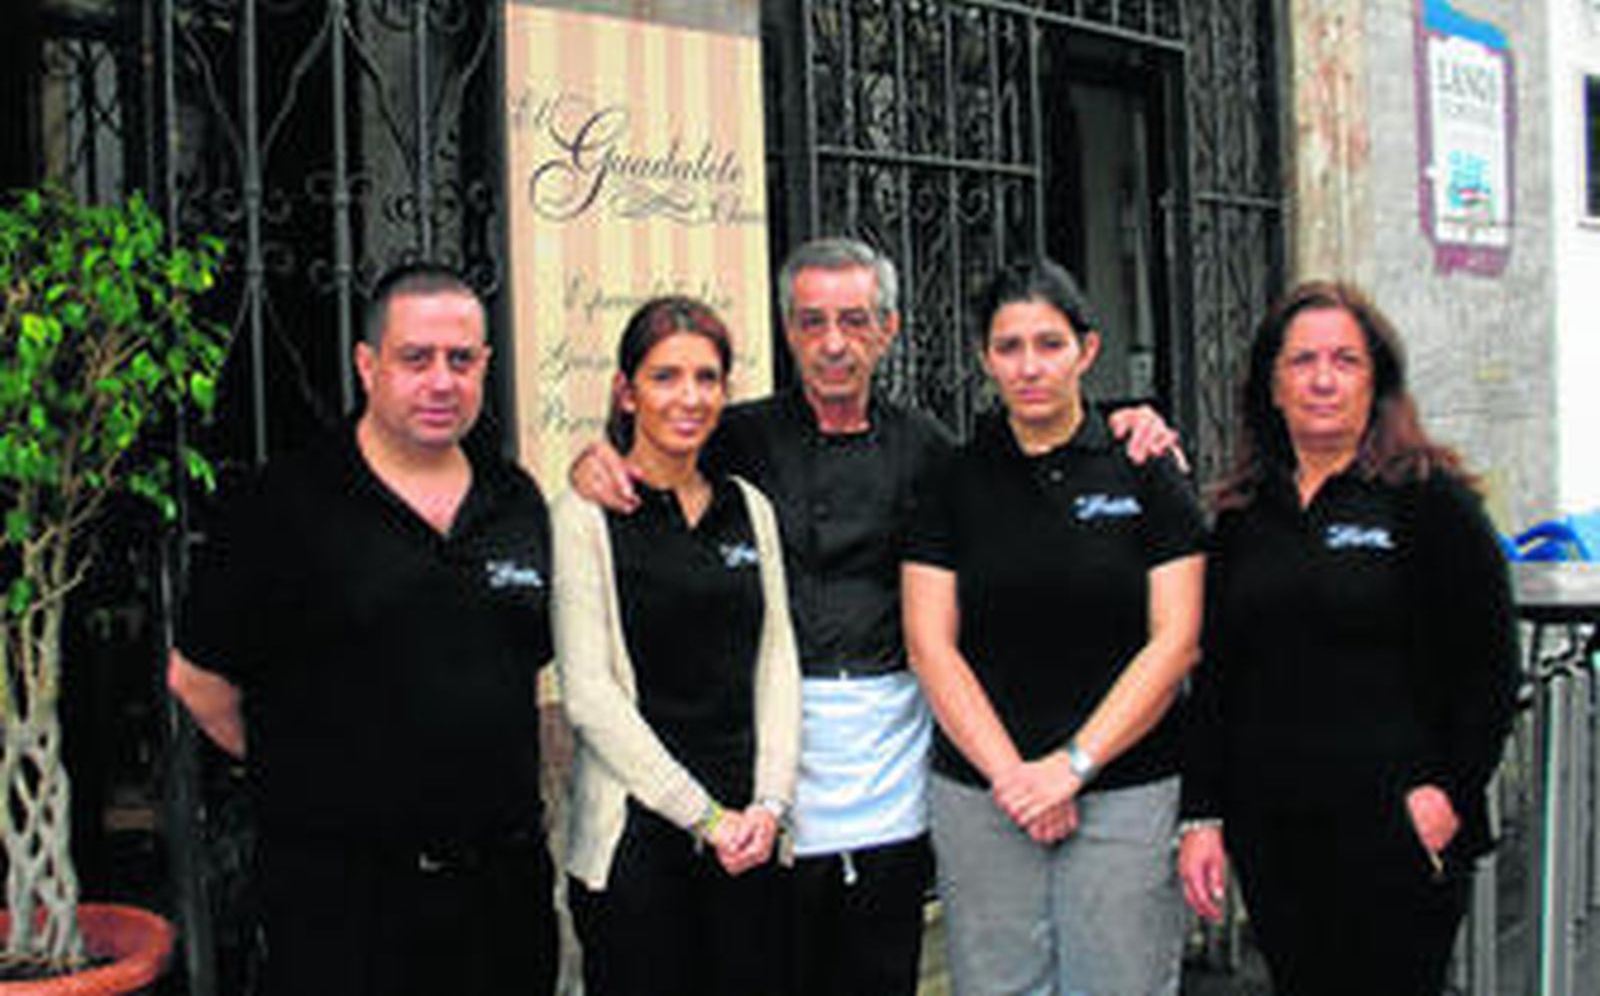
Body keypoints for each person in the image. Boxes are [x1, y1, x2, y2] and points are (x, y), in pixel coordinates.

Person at [572, 238, 1181, 995]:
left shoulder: (932, 450)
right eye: (813, 322)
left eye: (856, 321)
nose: (834, 344)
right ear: (788, 331)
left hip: (890, 765)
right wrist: (591, 455)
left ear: (889, 330)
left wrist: (1127, 420)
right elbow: (654, 444)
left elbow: (1033, 460)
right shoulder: (737, 436)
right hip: (770, 765)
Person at [166, 264, 558, 996]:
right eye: (416, 359)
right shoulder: (281, 506)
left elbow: (524, 658)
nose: (442, 381)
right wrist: (302, 764)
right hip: (343, 905)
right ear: (367, 364)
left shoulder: (517, 500)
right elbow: (196, 678)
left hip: (500, 897)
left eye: (461, 359)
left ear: (484, 366)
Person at [1177, 281, 1519, 995]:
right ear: (1272, 385)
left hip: (1397, 827)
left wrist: (1448, 795)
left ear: (1378, 382)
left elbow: (1489, 671)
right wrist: (1202, 815)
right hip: (1274, 830)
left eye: (1345, 360)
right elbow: (1217, 680)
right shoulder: (1243, 515)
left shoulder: (1432, 502)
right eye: (1302, 362)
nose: (1323, 379)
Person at [901, 259, 1205, 995]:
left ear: (1087, 350)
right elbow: (929, 643)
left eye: (1049, 343)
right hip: (985, 798)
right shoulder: (952, 479)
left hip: (1126, 791)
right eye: (1009, 347)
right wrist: (1015, 779)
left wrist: (1071, 767)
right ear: (984, 358)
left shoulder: (1145, 469)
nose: (1029, 366)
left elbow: (1176, 639)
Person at [553, 296, 800, 996]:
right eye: (665, 377)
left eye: (707, 377)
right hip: (639, 841)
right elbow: (589, 695)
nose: (689, 397)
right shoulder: (584, 514)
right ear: (627, 394)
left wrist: (769, 805)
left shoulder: (748, 507)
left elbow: (777, 659)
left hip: (749, 837)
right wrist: (706, 817)